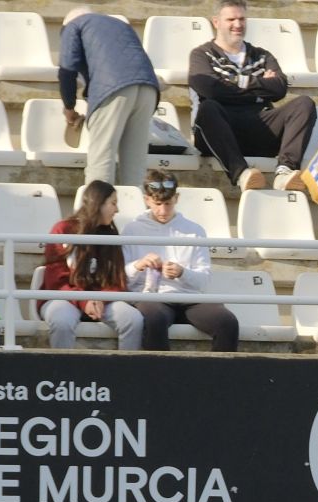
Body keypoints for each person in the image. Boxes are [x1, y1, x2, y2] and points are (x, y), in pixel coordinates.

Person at [188, 0, 318, 191]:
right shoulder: (202, 54)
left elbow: (280, 88)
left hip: (260, 129)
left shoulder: (262, 55)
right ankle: (242, 174)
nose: (238, 25)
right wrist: (259, 85)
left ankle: (285, 172)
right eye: (231, 19)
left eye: (242, 19)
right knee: (209, 107)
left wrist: (232, 83)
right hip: (219, 131)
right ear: (216, 22)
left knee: (304, 104)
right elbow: (210, 89)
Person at [122, 170, 240, 351]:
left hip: (189, 299)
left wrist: (182, 272)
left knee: (227, 322)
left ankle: (219, 379)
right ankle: (159, 377)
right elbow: (121, 280)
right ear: (147, 200)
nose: (162, 211)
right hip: (153, 298)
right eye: (157, 204)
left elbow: (204, 280)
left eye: (168, 204)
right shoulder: (131, 230)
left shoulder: (194, 230)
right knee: (155, 319)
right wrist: (138, 265)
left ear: (176, 198)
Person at [59, 6, 162, 187]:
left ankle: (96, 214)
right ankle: (134, 211)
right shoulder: (120, 25)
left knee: (101, 162)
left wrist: (69, 107)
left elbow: (67, 72)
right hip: (148, 88)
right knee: (135, 168)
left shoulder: (73, 26)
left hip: (115, 89)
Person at [43, 179, 142, 350]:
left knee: (133, 320)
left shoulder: (111, 235)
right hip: (64, 298)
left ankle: (126, 375)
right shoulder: (63, 230)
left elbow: (117, 280)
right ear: (98, 203)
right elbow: (56, 282)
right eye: (113, 203)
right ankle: (61, 374)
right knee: (61, 321)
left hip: (103, 301)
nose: (117, 210)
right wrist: (84, 300)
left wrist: (100, 298)